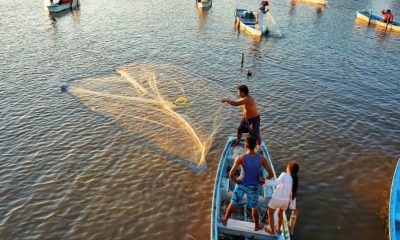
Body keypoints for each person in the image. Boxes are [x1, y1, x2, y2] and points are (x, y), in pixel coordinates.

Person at [221, 136, 274, 231]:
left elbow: (231, 174)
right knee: (254, 206)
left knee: (233, 203)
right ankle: (257, 225)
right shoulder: (262, 159)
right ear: (255, 146)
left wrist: (236, 180)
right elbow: (271, 174)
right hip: (254, 186)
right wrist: (263, 182)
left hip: (241, 185)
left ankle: (225, 220)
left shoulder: (241, 158)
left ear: (246, 145)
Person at [220, 85, 262, 151]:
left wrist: (226, 100)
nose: (238, 94)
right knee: (239, 130)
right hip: (245, 119)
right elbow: (236, 101)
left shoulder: (248, 99)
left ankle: (259, 148)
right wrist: (226, 100)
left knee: (255, 135)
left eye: (238, 92)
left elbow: (236, 103)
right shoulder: (243, 98)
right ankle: (238, 142)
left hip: (253, 120)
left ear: (243, 92)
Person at [264, 161, 300, 234]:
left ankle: (271, 230)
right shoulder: (295, 180)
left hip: (277, 199)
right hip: (285, 203)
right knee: (280, 214)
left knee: (270, 213)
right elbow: (293, 196)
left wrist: (265, 182)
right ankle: (278, 229)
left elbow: (275, 183)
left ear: (289, 169)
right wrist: (293, 207)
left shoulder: (284, 174)